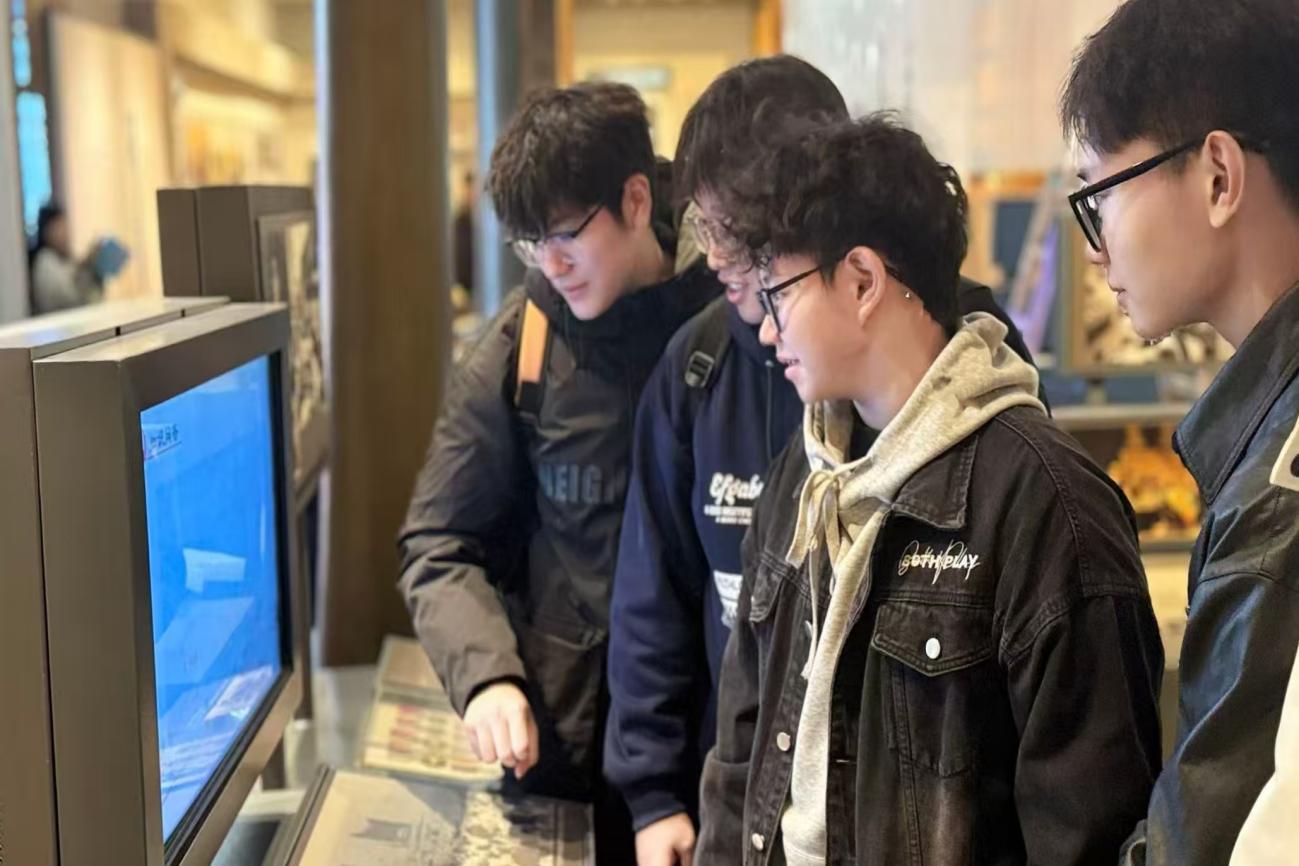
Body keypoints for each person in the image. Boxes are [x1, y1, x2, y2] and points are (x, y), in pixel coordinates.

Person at [603, 55, 1042, 866]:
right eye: (703, 226)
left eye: (732, 229)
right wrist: (654, 792)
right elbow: (656, 595)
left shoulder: (979, 389)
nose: (715, 255)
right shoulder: (703, 372)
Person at [694, 114, 1165, 865]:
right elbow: (741, 757)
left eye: (776, 294)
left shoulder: (1046, 504)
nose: (766, 331)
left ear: (862, 281)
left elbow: (1088, 831)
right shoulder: (807, 472)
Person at [397, 81, 718, 864]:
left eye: (566, 235)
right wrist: (487, 678)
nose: (551, 263)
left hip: (715, 761)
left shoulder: (730, 318)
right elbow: (437, 543)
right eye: (529, 242)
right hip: (563, 757)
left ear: (636, 200)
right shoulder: (524, 343)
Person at [1058, 0, 1299, 862]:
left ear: (1218, 177)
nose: (1094, 249)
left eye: (1099, 195)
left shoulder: (1279, 489)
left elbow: (1205, 841)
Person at [27, 203, 111, 315]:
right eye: (59, 228)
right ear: (47, 231)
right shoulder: (45, 260)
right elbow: (68, 298)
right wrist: (84, 266)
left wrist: (93, 266)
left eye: (65, 227)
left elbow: (92, 297)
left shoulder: (68, 259)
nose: (65, 234)